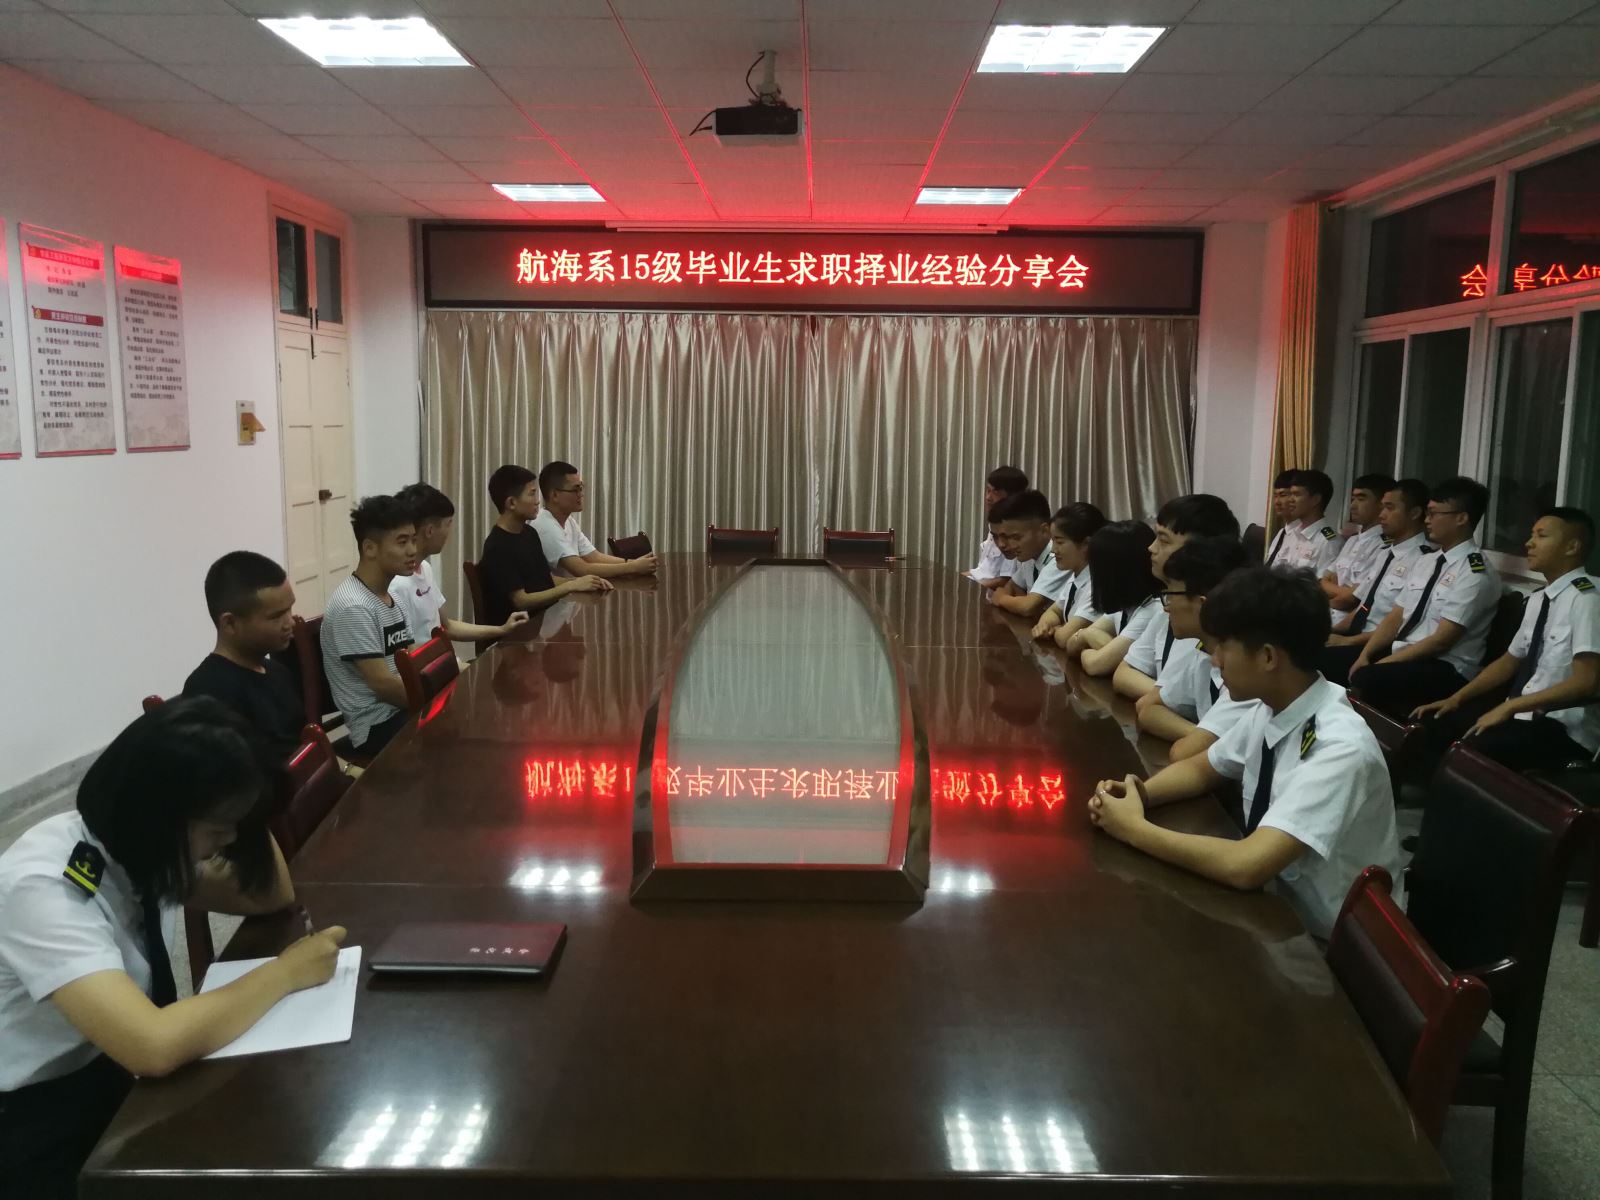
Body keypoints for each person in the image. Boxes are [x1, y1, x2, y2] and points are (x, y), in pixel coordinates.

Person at [0, 698, 345, 1197]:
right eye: (217, 827)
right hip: (35, 1117)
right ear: (157, 816)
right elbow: (152, 1045)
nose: (228, 840)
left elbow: (270, 894)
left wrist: (249, 808)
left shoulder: (135, 849)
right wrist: (286, 973)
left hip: (107, 1071)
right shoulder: (43, 887)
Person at [1086, 568, 1404, 941]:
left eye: (1224, 647)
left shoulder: (1339, 747)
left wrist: (1134, 830)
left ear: (1268, 657)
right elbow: (1202, 768)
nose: (1215, 660)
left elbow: (1247, 865)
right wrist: (1138, 794)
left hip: (1326, 943)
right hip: (1273, 909)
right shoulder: (1273, 704)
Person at [1411, 507, 1599, 771]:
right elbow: (1509, 661)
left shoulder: (1587, 599)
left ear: (1572, 547)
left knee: (1472, 749)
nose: (1529, 543)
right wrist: (1456, 698)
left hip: (1562, 725)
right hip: (1524, 712)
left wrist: (1510, 708)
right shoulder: (1539, 598)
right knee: (1436, 721)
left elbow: (1586, 682)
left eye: (1542, 536)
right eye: (1532, 534)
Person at [1345, 476, 1502, 716]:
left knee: (1367, 677)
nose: (1427, 520)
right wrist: (1366, 654)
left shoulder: (1474, 572)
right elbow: (1396, 616)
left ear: (1461, 518)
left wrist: (1382, 663)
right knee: (1330, 658)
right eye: (1428, 513)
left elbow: (1441, 641)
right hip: (1407, 652)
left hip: (1446, 666)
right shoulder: (1427, 561)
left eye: (1434, 514)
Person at [1113, 494, 1240, 702]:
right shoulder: (1171, 605)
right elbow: (1123, 674)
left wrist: (1161, 699)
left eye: (1163, 540)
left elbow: (1152, 703)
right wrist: (1163, 697)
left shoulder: (1203, 623)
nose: (1151, 548)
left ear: (1201, 550)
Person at [320, 495, 420, 757]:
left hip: (402, 710)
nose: (412, 550)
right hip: (376, 726)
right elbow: (383, 685)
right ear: (370, 548)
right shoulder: (354, 606)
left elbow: (413, 659)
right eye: (402, 542)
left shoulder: (393, 597)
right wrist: (435, 699)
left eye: (413, 540)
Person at [182, 551, 303, 762]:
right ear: (230, 623)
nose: (290, 622)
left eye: (289, 609)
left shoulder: (278, 672)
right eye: (276, 616)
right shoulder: (208, 693)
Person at [1133, 535, 1252, 745]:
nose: (1166, 607)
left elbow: (1183, 751)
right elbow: (1147, 709)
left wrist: (1204, 742)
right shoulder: (1200, 648)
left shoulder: (1247, 670)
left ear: (1202, 604)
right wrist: (1203, 737)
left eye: (1171, 595)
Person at [1320, 480, 1431, 685]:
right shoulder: (1385, 553)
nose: (1382, 515)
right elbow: (1363, 606)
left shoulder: (1423, 560)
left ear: (1415, 513)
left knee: (1313, 660)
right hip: (1356, 635)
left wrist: (1346, 641)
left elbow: (1400, 624)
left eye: (1390, 508)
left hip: (1379, 644)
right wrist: (1330, 632)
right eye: (1382, 507)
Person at [390, 483, 529, 645]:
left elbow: (447, 627)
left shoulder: (425, 569)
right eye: (448, 524)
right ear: (430, 531)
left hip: (441, 658)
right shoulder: (397, 585)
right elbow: (406, 651)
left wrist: (502, 629)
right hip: (429, 660)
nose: (450, 531)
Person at [478, 464, 610, 629]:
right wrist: (571, 586)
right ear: (511, 503)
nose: (538, 501)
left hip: (539, 624)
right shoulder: (498, 546)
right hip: (515, 634)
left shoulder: (529, 533)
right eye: (532, 494)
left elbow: (546, 579)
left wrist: (584, 582)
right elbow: (521, 601)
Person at [1064, 520, 1162, 677]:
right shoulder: (1125, 603)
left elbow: (1096, 665)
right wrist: (1086, 635)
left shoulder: (1153, 608)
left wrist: (1086, 639)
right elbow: (1070, 645)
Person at [534, 461, 658, 579]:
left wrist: (633, 563)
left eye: (581, 488)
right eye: (575, 489)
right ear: (555, 495)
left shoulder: (569, 521)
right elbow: (580, 569)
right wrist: (633, 567)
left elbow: (594, 557)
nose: (581, 494)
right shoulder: (545, 525)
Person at [1321, 473, 1395, 621]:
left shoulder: (1384, 545)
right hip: (1328, 615)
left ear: (1382, 504)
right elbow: (1322, 581)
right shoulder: (1352, 540)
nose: (1352, 506)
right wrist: (1341, 591)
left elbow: (1352, 599)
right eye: (1352, 499)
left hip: (1348, 621)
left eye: (1361, 499)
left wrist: (1329, 594)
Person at [1031, 503, 1107, 642]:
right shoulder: (1076, 575)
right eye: (1053, 541)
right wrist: (1045, 626)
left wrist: (1057, 630)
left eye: (1059, 542)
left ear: (1086, 544)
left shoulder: (1098, 584)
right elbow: (1055, 611)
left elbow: (1064, 637)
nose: (1053, 550)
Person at [985, 489, 1054, 614]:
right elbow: (1011, 586)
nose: (1010, 545)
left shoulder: (1057, 559)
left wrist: (1001, 598)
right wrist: (1018, 602)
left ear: (1044, 531)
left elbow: (1027, 607)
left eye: (1017, 537)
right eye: (1009, 537)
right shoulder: (1030, 557)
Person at [971, 466, 1029, 588]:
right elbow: (981, 571)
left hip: (987, 591)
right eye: (988, 491)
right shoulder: (994, 525)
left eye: (995, 493)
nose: (988, 498)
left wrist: (970, 586)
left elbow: (1005, 580)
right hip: (978, 584)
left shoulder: (1014, 529)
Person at [1279, 469, 1345, 576]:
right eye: (1290, 494)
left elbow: (1321, 583)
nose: (1290, 500)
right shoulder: (1291, 534)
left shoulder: (1329, 541)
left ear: (1315, 499)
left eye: (1296, 494)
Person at [1262, 469, 1299, 565]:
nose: (1277, 502)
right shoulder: (1282, 533)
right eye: (1275, 496)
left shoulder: (1302, 536)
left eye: (1282, 495)